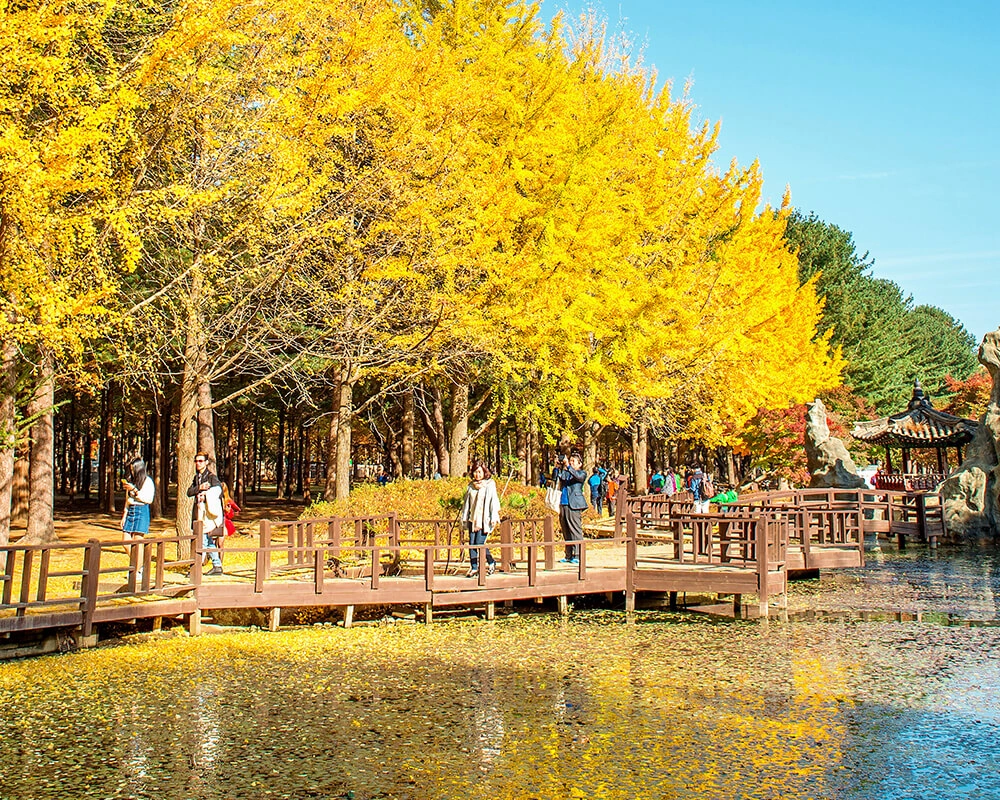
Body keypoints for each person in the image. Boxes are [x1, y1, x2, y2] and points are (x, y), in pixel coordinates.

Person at [460, 461, 501, 577]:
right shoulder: (471, 486)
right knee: (472, 543)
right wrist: (464, 518)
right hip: (472, 519)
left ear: (484, 472)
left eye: (479, 472)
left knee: (480, 543)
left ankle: (491, 562)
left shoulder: (490, 485)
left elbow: (494, 501)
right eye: (475, 472)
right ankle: (474, 567)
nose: (477, 475)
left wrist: (494, 517)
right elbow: (466, 504)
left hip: (484, 519)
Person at [187, 453, 224, 575]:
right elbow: (189, 492)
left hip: (206, 515)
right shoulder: (196, 478)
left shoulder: (211, 477)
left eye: (201, 461)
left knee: (202, 540)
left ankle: (196, 568)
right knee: (207, 541)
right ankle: (217, 565)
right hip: (198, 513)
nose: (198, 463)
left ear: (206, 462)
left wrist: (207, 494)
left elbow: (219, 490)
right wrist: (199, 488)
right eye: (196, 461)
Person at [556, 452, 588, 564]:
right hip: (564, 503)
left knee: (575, 530)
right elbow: (558, 478)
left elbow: (578, 477)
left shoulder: (582, 473)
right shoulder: (567, 472)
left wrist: (568, 467)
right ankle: (568, 555)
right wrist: (559, 467)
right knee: (566, 530)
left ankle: (578, 555)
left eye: (573, 461)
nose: (571, 463)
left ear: (580, 464)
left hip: (574, 504)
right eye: (570, 461)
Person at [121, 457, 156, 538]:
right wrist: (124, 516)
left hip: (141, 511)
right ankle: (132, 552)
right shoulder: (131, 482)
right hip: (130, 511)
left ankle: (138, 551)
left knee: (137, 541)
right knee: (125, 541)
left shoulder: (148, 481)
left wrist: (135, 490)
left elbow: (148, 499)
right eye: (131, 470)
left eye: (133, 470)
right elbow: (128, 500)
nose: (132, 472)